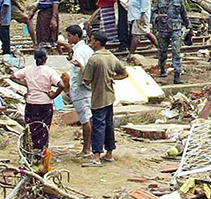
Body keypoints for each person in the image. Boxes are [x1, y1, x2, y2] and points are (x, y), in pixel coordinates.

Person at [81, 31, 128, 167]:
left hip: (98, 97)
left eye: (92, 40)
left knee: (98, 125)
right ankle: (109, 153)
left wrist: (81, 68)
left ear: (97, 42)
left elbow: (87, 80)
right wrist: (112, 78)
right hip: (110, 95)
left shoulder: (93, 59)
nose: (90, 42)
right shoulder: (111, 57)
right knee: (109, 124)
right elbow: (124, 73)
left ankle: (96, 155)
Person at [11, 46, 64, 160]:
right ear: (46, 58)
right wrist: (53, 95)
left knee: (31, 127)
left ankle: (28, 150)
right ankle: (40, 152)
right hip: (45, 102)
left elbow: (13, 76)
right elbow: (61, 85)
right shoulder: (49, 71)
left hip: (31, 102)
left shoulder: (28, 69)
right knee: (43, 128)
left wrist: (27, 84)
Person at [60, 25, 94, 158]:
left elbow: (80, 65)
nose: (68, 38)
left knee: (85, 119)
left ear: (76, 36)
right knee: (89, 117)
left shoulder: (79, 52)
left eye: (69, 36)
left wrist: (80, 69)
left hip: (80, 88)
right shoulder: (87, 49)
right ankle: (90, 145)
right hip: (87, 87)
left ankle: (86, 149)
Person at [151, 0, 190, 83]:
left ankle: (177, 75)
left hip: (175, 29)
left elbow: (183, 13)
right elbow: (153, 13)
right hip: (163, 30)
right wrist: (156, 18)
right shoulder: (159, 0)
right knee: (162, 52)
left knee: (176, 51)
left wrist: (188, 26)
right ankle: (162, 68)